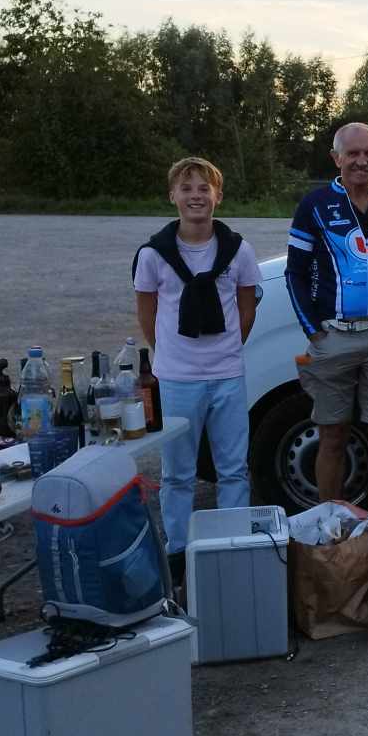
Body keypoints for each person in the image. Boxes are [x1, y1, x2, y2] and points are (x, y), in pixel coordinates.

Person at [133, 156, 260, 589]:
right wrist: (170, 354)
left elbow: (246, 308)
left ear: (217, 196)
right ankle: (178, 551)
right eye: (186, 189)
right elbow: (148, 312)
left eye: (204, 188)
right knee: (177, 472)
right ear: (173, 196)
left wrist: (227, 350)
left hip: (227, 374)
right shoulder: (153, 255)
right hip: (177, 378)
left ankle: (233, 544)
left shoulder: (238, 251)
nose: (195, 196)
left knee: (233, 468)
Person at [285, 122, 368, 522]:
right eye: (352, 153)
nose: (361, 161)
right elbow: (294, 272)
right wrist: (313, 330)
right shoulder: (315, 204)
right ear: (336, 158)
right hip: (333, 336)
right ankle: (329, 526)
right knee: (333, 435)